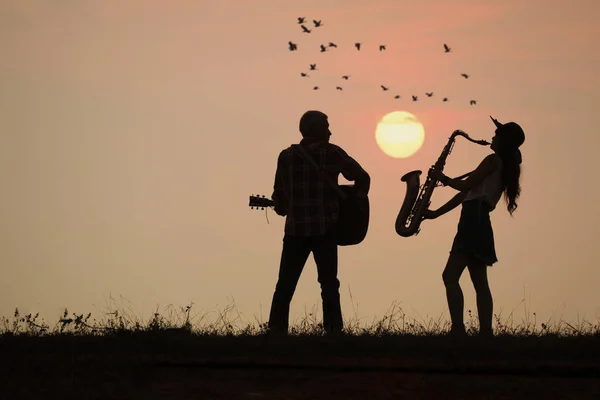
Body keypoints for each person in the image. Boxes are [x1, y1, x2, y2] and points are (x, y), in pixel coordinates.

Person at [267, 110, 370, 336]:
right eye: (326, 127)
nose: (330, 132)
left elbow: (281, 202)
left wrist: (281, 206)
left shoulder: (286, 156)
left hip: (295, 230)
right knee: (329, 284)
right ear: (317, 129)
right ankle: (333, 332)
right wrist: (354, 202)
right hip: (326, 228)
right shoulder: (332, 152)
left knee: (285, 284)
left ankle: (276, 333)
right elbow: (362, 177)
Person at [422, 116, 525, 338]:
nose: (492, 137)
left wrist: (442, 178)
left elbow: (465, 186)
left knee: (450, 276)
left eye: (497, 135)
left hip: (472, 219)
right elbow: (466, 194)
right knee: (480, 283)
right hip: (479, 218)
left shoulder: (492, 161)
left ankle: (458, 330)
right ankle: (486, 333)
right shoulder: (502, 165)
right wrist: (434, 214)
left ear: (504, 140)